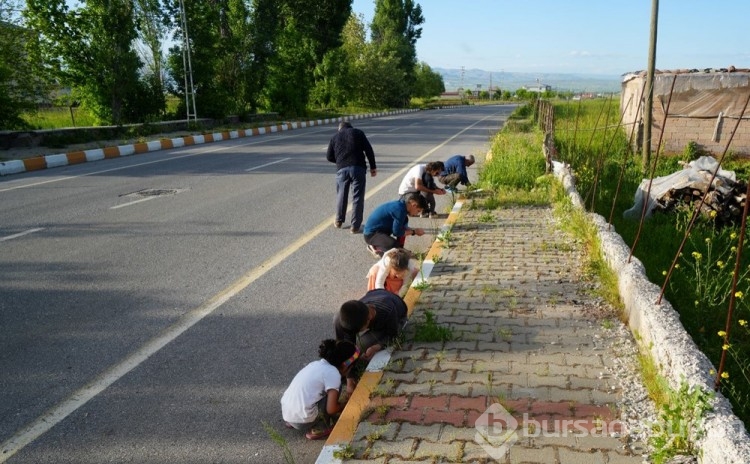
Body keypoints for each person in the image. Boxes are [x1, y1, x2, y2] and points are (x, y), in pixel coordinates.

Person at [280, 339, 359, 440]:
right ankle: (320, 428)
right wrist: (345, 404)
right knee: (335, 388)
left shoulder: (315, 364)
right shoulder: (333, 374)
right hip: (303, 420)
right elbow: (331, 410)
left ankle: (294, 421)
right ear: (344, 366)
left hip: (287, 414)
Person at [334, 289, 408, 393]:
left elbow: (393, 335)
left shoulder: (387, 310)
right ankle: (344, 373)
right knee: (354, 352)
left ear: (369, 319)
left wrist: (377, 346)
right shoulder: (343, 319)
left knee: (361, 346)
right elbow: (347, 348)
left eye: (360, 331)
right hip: (374, 294)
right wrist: (349, 379)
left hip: (398, 316)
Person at [326, 121, 377, 233]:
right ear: (351, 127)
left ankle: (339, 221)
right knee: (357, 197)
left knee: (341, 195)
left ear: (339, 129)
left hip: (341, 170)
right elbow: (369, 150)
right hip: (358, 169)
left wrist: (340, 161)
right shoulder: (358, 133)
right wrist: (373, 167)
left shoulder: (335, 137)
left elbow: (329, 156)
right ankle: (355, 226)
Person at [363, 193, 428, 258]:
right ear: (414, 205)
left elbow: (401, 229)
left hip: (380, 231)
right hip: (371, 235)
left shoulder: (402, 206)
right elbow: (397, 232)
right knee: (393, 246)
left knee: (404, 223)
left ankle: (400, 249)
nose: (417, 213)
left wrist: (413, 231)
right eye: (418, 211)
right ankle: (375, 247)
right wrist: (414, 232)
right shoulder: (400, 210)